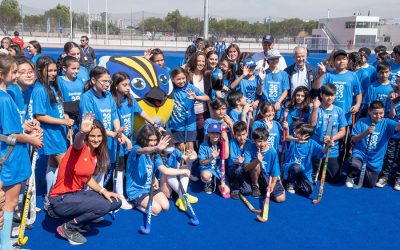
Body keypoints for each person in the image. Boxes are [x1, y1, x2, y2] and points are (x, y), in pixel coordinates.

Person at [50, 114, 121, 245]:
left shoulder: (95, 154)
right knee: (104, 205)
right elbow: (77, 141)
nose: (96, 139)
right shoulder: (79, 148)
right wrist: (82, 132)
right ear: (87, 137)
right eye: (92, 136)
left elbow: (87, 178)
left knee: (115, 202)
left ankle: (82, 219)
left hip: (76, 194)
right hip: (61, 199)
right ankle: (68, 227)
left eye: (99, 136)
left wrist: (103, 191)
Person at [0, 55, 42, 250]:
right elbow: (12, 134)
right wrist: (32, 138)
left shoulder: (5, 96)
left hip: (9, 155)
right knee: (10, 203)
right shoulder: (5, 98)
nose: (17, 76)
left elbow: (14, 126)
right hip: (11, 157)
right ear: (2, 74)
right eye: (15, 72)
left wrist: (26, 126)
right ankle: (5, 245)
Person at [32, 56, 73, 209]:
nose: (53, 73)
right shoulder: (40, 90)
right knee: (65, 166)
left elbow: (58, 110)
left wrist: (66, 118)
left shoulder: (53, 87)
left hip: (59, 132)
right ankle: (59, 198)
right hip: (51, 133)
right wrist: (63, 122)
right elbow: (40, 115)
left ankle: (49, 196)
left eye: (55, 70)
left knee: (53, 164)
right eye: (49, 71)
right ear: (40, 71)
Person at [110, 71, 155, 209]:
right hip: (118, 140)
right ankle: (119, 195)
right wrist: (124, 139)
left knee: (125, 166)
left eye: (129, 85)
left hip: (128, 138)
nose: (128, 87)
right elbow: (114, 123)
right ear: (116, 86)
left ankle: (125, 191)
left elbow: (141, 112)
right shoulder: (112, 101)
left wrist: (154, 123)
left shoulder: (130, 99)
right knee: (119, 166)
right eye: (124, 85)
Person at [79, 66, 129, 187]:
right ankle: (89, 195)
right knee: (93, 170)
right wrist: (112, 134)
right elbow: (91, 124)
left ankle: (99, 194)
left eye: (109, 81)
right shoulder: (87, 97)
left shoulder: (108, 96)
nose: (107, 84)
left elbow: (114, 116)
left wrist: (118, 131)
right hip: (93, 141)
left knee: (102, 169)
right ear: (93, 80)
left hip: (107, 140)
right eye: (104, 81)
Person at [125, 124, 190, 215]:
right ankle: (134, 202)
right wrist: (156, 148)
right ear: (143, 139)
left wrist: (184, 170)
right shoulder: (136, 149)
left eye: (155, 140)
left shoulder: (156, 154)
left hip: (150, 187)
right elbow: (143, 151)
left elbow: (165, 170)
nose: (153, 143)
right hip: (136, 190)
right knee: (157, 210)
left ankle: (146, 201)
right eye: (150, 140)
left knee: (165, 206)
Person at [345, 100, 400, 188]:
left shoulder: (387, 122)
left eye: (381, 113)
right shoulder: (361, 121)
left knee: (370, 184)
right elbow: (353, 140)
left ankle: (361, 171)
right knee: (355, 164)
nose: (378, 116)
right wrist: (366, 132)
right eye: (375, 113)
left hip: (375, 159)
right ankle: (351, 176)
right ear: (369, 111)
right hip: (360, 153)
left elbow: (397, 127)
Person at [167, 67, 209, 156]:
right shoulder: (170, 89)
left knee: (190, 149)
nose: (181, 81)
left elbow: (206, 97)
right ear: (173, 79)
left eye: (183, 78)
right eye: (178, 79)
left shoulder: (191, 88)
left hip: (190, 124)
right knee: (181, 149)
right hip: (176, 125)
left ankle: (189, 169)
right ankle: (179, 168)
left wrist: (196, 97)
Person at [309, 84, 346, 183]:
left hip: (331, 149)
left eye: (332, 95)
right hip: (316, 148)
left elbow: (343, 131)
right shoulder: (315, 108)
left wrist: (331, 138)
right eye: (327, 95)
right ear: (321, 95)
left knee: (335, 179)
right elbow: (312, 125)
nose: (330, 98)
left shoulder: (339, 111)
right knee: (312, 177)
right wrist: (315, 108)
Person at [283, 123, 331, 195]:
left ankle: (296, 181)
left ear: (306, 136)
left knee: (309, 190)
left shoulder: (312, 143)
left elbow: (322, 151)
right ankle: (290, 182)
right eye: (295, 130)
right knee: (297, 167)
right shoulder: (293, 139)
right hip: (291, 167)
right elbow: (287, 138)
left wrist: (328, 146)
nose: (294, 132)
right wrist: (296, 138)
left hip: (305, 171)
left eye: (297, 132)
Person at [243, 127, 285, 202]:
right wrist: (257, 161)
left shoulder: (272, 151)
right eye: (259, 141)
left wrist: (273, 184)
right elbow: (245, 168)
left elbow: (275, 171)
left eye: (265, 141)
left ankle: (263, 188)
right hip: (253, 176)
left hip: (267, 177)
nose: (262, 144)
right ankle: (255, 186)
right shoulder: (249, 147)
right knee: (256, 164)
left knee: (281, 198)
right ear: (254, 140)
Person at [159, 133, 198, 212]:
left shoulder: (174, 150)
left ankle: (182, 198)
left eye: (171, 144)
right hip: (163, 179)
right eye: (168, 145)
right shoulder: (157, 154)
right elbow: (166, 171)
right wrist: (183, 171)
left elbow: (187, 159)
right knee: (167, 194)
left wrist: (192, 156)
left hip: (173, 178)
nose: (170, 147)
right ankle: (184, 195)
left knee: (185, 168)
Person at [377, 74, 400, 190]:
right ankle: (385, 175)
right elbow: (391, 115)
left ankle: (398, 178)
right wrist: (392, 102)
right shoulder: (392, 96)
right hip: (393, 131)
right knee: (390, 155)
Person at [256, 49, 289, 120]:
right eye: (272, 59)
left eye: (276, 59)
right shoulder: (263, 73)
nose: (274, 61)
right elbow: (259, 93)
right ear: (268, 60)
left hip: (278, 107)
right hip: (265, 107)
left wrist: (278, 101)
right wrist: (261, 81)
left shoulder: (284, 74)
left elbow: (285, 91)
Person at [199, 123, 230, 195]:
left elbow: (226, 157)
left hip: (219, 170)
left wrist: (226, 140)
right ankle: (209, 182)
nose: (215, 135)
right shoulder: (203, 145)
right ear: (209, 134)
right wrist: (212, 157)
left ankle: (215, 180)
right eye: (213, 133)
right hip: (207, 169)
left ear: (220, 134)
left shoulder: (222, 144)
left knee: (226, 191)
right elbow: (201, 163)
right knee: (206, 175)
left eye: (217, 133)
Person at [227, 121, 251, 199]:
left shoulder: (250, 143)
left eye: (243, 134)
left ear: (247, 133)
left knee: (247, 191)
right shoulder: (232, 143)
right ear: (235, 135)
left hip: (245, 169)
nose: (242, 137)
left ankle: (241, 182)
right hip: (234, 168)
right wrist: (238, 161)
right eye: (239, 135)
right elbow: (233, 161)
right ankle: (234, 188)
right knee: (238, 169)